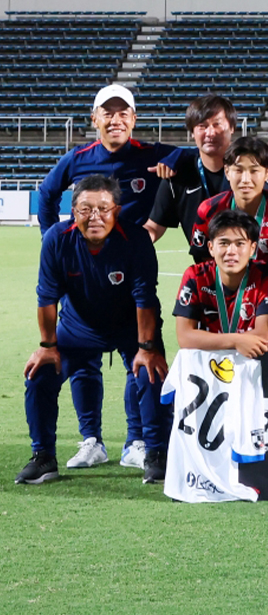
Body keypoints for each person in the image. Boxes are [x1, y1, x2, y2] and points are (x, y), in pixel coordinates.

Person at [19, 175, 170, 485]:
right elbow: (46, 298)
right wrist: (47, 346)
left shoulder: (137, 239)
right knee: (38, 376)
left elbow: (145, 298)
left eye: (103, 208)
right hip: (77, 328)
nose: (95, 217)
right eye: (86, 209)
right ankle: (43, 456)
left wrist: (146, 348)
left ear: (117, 209)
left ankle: (156, 454)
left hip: (130, 327)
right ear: (73, 211)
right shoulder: (57, 239)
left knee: (153, 373)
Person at [37, 84, 178, 234]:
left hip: (134, 253)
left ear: (133, 120)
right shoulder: (77, 158)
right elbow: (47, 192)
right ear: (94, 120)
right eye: (108, 114)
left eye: (123, 114)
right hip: (84, 252)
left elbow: (194, 155)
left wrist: (174, 160)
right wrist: (49, 236)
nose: (116, 121)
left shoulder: (152, 155)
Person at [172, 208, 268, 355]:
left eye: (240, 244)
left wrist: (212, 340)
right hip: (208, 362)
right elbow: (185, 337)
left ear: (252, 249)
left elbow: (262, 336)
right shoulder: (196, 276)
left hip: (252, 361)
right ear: (211, 248)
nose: (231, 251)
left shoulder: (267, 276)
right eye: (224, 243)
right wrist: (236, 341)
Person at [189, 135, 268, 270]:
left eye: (254, 171)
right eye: (239, 170)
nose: (246, 179)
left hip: (266, 288)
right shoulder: (209, 209)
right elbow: (203, 262)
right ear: (227, 172)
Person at [147, 93, 237, 244]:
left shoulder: (248, 172)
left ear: (232, 127)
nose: (210, 133)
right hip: (204, 265)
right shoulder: (177, 175)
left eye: (217, 124)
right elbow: (154, 228)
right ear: (192, 133)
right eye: (202, 126)